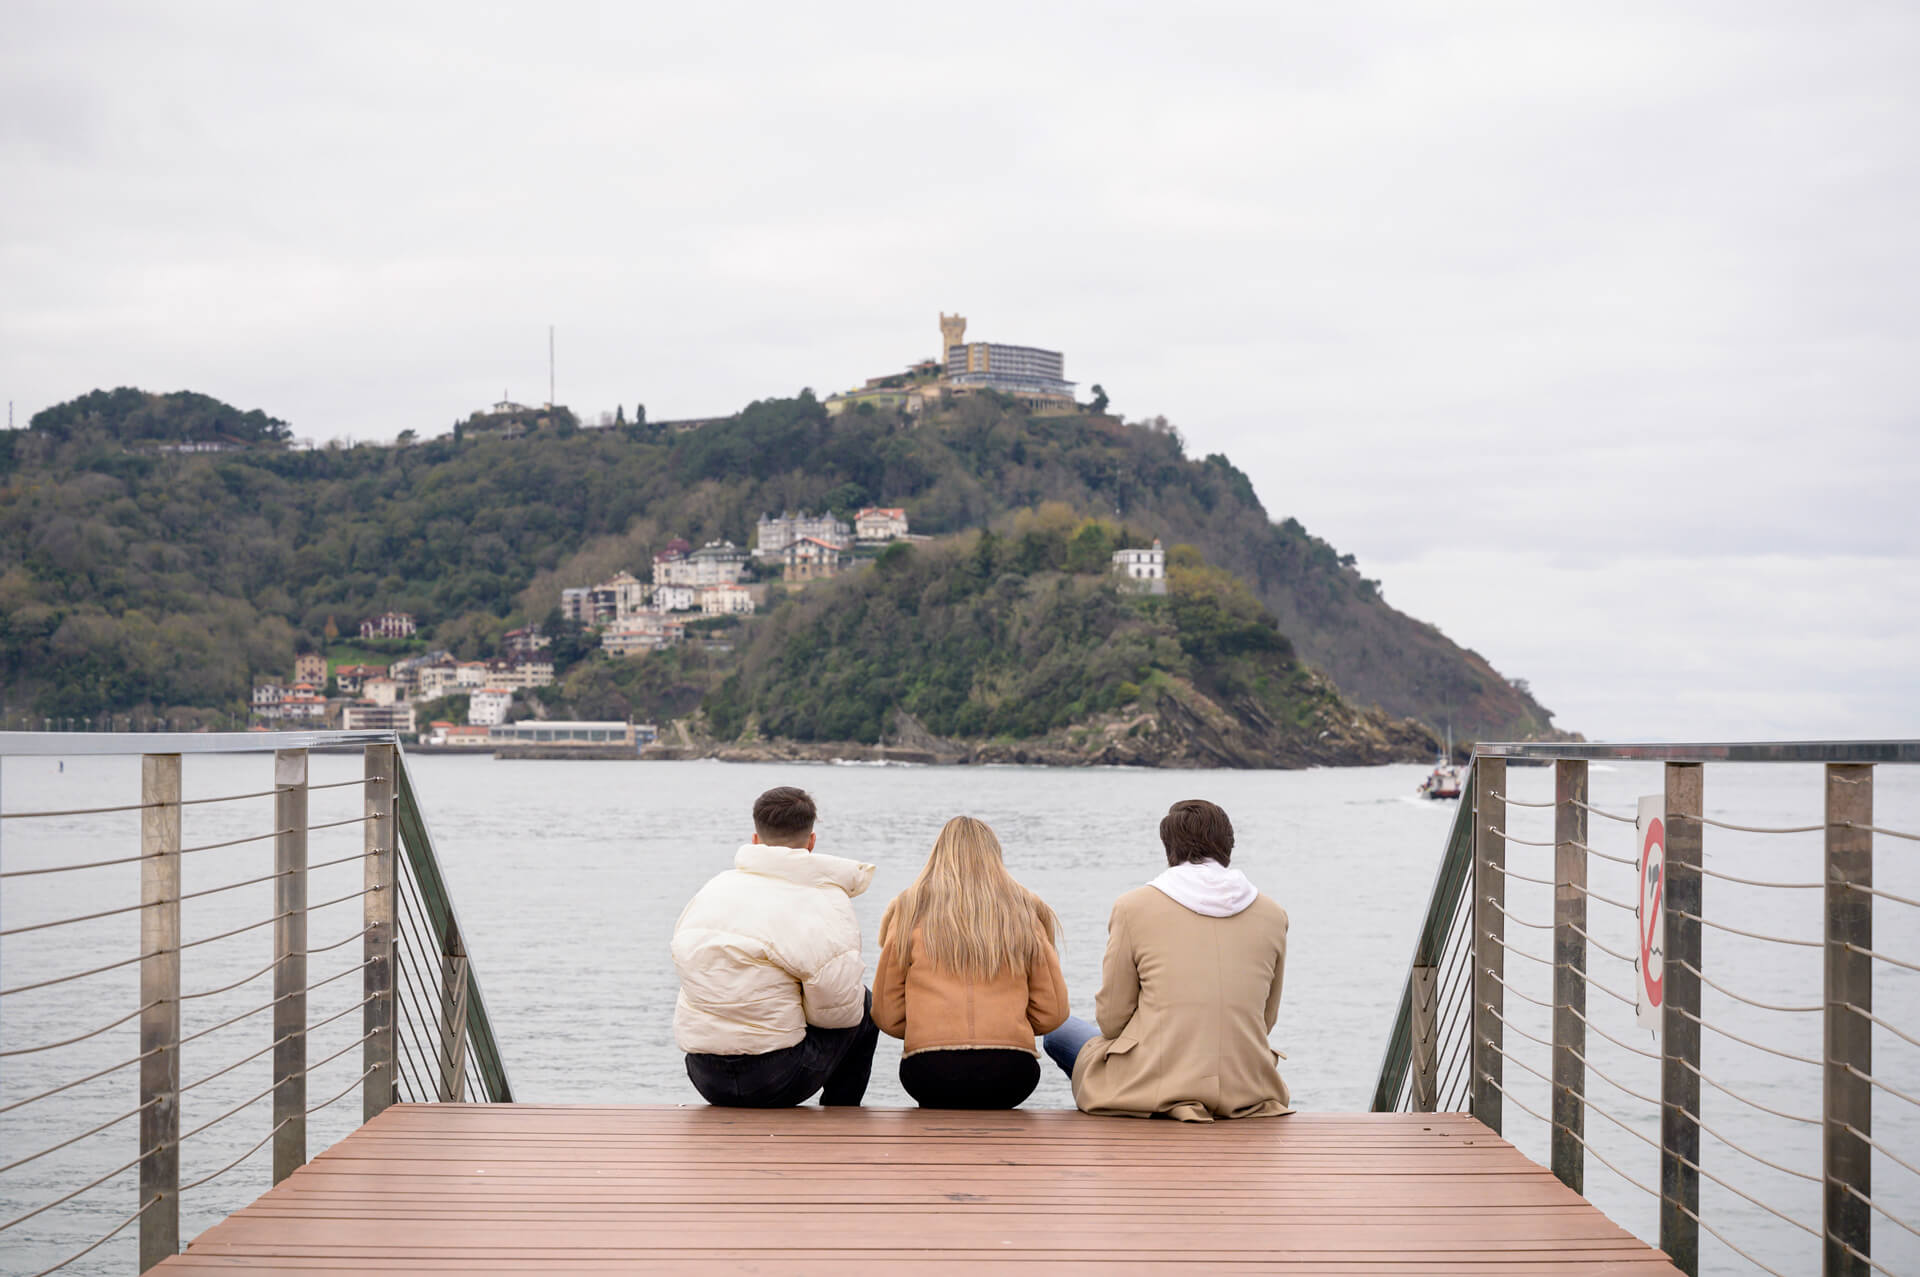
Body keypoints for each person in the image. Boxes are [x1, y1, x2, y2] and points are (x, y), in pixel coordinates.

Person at [1044, 799, 1291, 1122]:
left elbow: (1112, 1020)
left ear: (1168, 848)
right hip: (1246, 1085)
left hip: (1152, 1084)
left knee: (1058, 1032)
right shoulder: (1273, 914)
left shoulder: (1133, 907)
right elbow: (1265, 1020)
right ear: (1228, 845)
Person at [673, 785, 880, 1107]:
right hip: (777, 1078)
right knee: (863, 1005)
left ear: (755, 840)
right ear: (811, 843)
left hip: (704, 1074)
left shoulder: (713, 889)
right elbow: (838, 1014)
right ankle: (842, 1112)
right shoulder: (823, 899)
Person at [874, 815, 1069, 1109]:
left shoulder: (907, 911)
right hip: (1012, 1075)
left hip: (928, 1074)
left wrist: (927, 1028)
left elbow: (887, 1014)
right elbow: (1052, 1013)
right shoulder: (1026, 912)